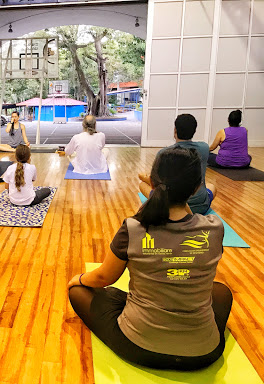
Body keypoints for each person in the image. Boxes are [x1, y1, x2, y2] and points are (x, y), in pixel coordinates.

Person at [68, 147, 232, 371]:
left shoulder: (134, 227)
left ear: (154, 184)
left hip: (139, 347)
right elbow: (188, 221)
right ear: (195, 189)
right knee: (222, 292)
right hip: (204, 353)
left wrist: (78, 278)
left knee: (79, 291)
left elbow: (104, 277)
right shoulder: (214, 229)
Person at [139, 114, 216, 214]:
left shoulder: (164, 153)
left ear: (175, 130)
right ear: (194, 131)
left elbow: (156, 182)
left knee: (142, 185)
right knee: (212, 186)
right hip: (201, 206)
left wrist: (145, 178)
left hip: (170, 208)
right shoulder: (204, 148)